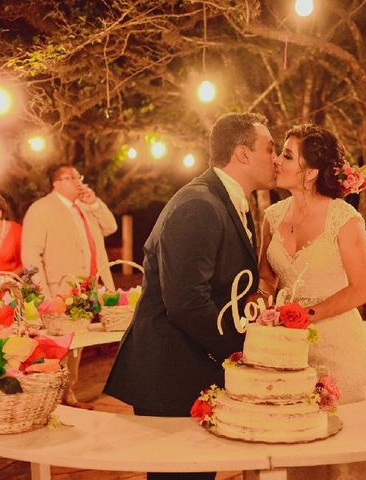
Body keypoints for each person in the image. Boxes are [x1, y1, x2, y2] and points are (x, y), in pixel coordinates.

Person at [104, 112, 279, 480]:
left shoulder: (228, 202)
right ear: (243, 154)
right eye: (270, 149)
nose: (276, 159)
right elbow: (186, 301)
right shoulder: (199, 204)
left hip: (190, 364)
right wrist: (238, 350)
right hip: (172, 372)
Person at [258, 124, 366, 479]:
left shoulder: (344, 219)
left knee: (344, 451)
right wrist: (265, 305)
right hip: (287, 348)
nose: (276, 160)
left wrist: (306, 314)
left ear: (311, 172)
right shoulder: (271, 216)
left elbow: (363, 290)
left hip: (337, 346)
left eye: (286, 155)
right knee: (296, 445)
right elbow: (267, 276)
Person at [22, 164, 118, 409]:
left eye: (79, 177)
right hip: (59, 290)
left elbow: (111, 227)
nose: (78, 182)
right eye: (71, 178)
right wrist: (43, 295)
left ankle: (69, 392)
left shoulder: (85, 207)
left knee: (78, 345)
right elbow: (32, 254)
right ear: (56, 183)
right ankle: (53, 396)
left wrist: (95, 203)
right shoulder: (41, 209)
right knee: (58, 346)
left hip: (88, 289)